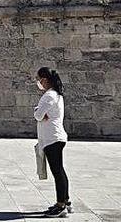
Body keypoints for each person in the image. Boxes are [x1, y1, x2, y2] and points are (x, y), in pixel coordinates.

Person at [34, 67, 71, 217]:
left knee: (57, 172)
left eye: (39, 79)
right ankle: (65, 201)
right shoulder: (57, 95)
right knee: (60, 170)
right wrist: (41, 113)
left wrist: (37, 112)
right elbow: (42, 114)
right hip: (56, 137)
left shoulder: (49, 95)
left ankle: (60, 205)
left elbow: (38, 115)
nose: (38, 82)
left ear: (45, 80)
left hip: (52, 138)